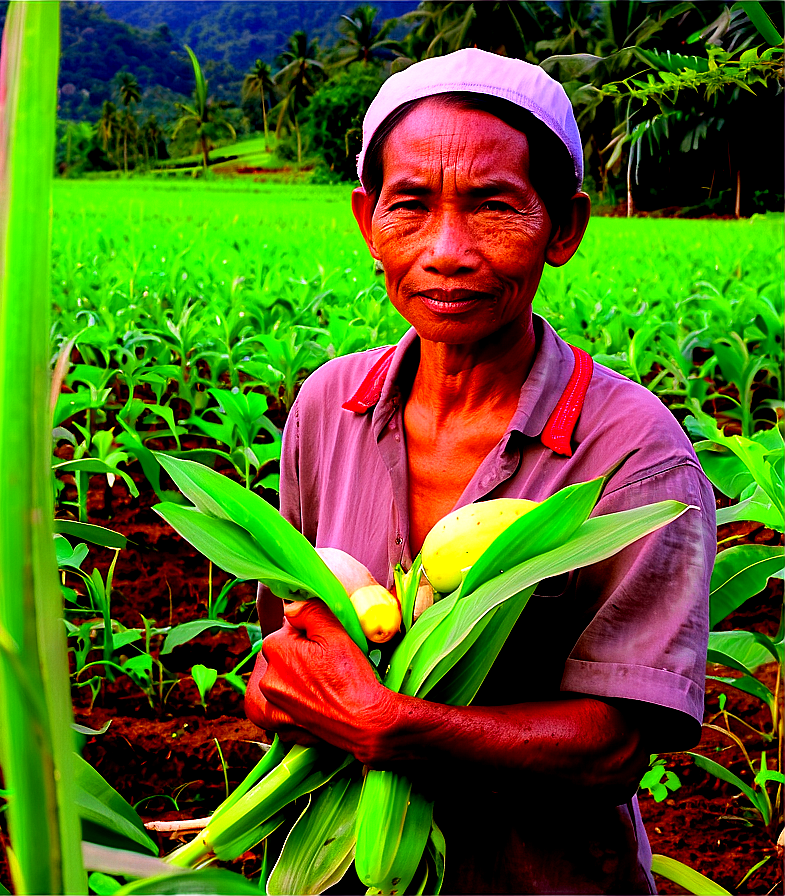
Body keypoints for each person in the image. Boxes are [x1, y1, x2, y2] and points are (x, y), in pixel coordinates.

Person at [246, 49, 715, 894]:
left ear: (563, 228)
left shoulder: (633, 452)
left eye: (496, 206)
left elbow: (615, 748)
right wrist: (285, 689)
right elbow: (288, 643)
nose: (447, 251)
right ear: (366, 220)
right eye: (411, 206)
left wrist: (398, 727)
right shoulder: (328, 405)